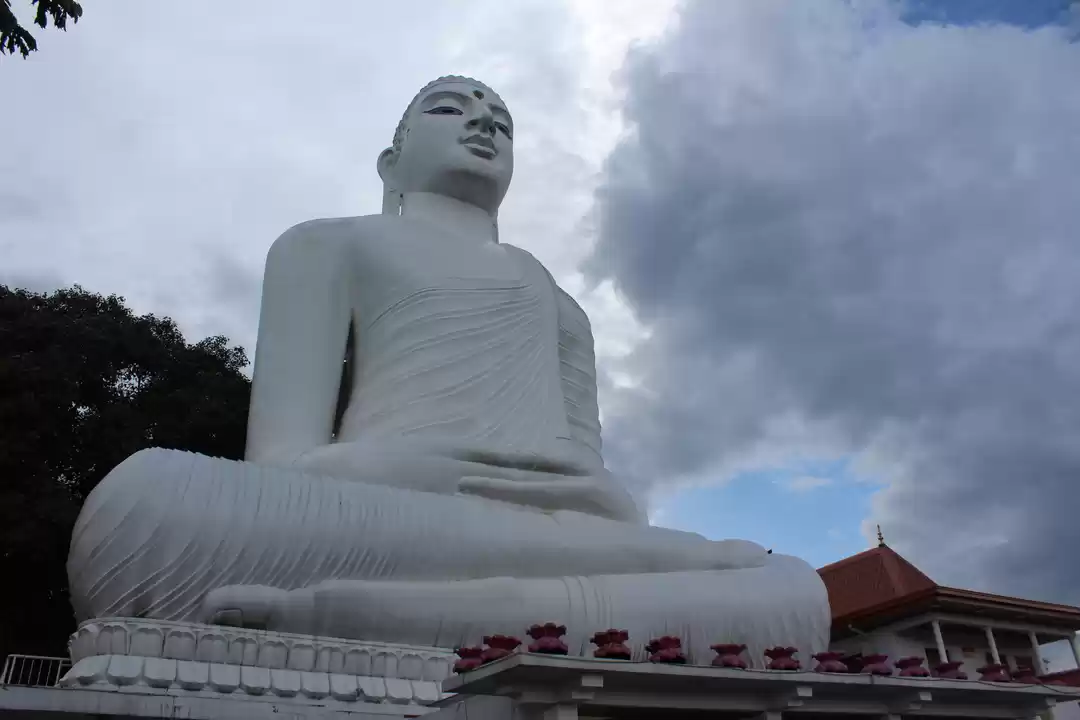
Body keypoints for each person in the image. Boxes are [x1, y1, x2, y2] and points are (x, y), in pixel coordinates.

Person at [68, 76, 829, 663]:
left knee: (793, 586)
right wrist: (413, 470)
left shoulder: (559, 302)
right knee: (142, 503)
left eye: (501, 120)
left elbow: (600, 491)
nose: (483, 124)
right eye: (450, 108)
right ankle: (616, 604)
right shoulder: (326, 244)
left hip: (558, 527)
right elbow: (281, 464)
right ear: (391, 159)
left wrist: (583, 496)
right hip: (387, 512)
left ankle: (335, 614)